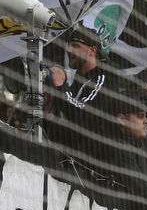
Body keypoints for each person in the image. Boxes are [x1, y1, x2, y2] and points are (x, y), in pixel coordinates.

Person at [45, 25, 118, 179]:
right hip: (68, 169)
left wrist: (59, 89)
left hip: (92, 176)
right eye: (68, 45)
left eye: (76, 46)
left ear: (92, 51)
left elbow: (84, 115)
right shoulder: (73, 83)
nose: (68, 50)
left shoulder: (104, 81)